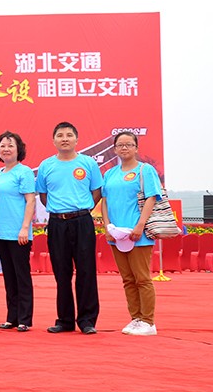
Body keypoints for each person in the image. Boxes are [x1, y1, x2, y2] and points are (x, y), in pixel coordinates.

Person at [36, 121, 103, 334]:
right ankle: (64, 320)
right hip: (57, 223)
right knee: (61, 272)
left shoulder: (88, 163)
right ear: (53, 140)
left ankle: (87, 320)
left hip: (82, 221)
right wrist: (60, 211)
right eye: (60, 135)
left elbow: (96, 192)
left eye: (69, 135)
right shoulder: (46, 165)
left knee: (86, 271)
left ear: (76, 139)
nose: (64, 139)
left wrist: (81, 210)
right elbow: (44, 196)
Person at [100, 131, 161, 336]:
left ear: (136, 148)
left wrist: (140, 225)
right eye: (120, 145)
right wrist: (107, 226)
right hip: (117, 234)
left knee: (142, 278)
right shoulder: (110, 174)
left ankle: (148, 321)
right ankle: (136, 318)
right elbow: (105, 201)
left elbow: (152, 198)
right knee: (127, 279)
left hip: (137, 234)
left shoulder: (145, 170)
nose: (124, 148)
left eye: (129, 144)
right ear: (115, 149)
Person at [0, 131, 36, 332]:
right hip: (1, 233)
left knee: (21, 275)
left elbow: (30, 201)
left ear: (19, 150)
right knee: (8, 276)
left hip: (19, 233)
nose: (6, 149)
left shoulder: (23, 172)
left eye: (10, 146)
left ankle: (25, 318)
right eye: (2, 146)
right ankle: (12, 317)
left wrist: (25, 227)